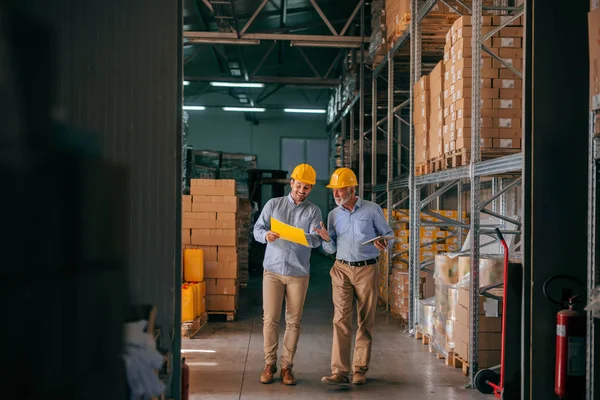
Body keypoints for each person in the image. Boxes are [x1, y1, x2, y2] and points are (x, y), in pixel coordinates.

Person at [313, 167, 393, 386]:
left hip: (367, 269)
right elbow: (330, 250)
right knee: (340, 320)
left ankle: (360, 369)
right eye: (334, 191)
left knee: (365, 320)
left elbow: (388, 235)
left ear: (352, 188)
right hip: (341, 269)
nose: (336, 194)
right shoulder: (333, 215)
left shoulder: (372, 209)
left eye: (340, 190)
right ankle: (339, 371)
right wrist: (325, 238)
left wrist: (383, 242)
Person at [253, 163, 323, 386]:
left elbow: (316, 240)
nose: (302, 190)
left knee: (293, 321)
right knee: (270, 319)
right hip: (272, 271)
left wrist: (306, 236)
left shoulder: (313, 211)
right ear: (291, 183)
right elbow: (257, 229)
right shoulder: (273, 205)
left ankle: (286, 367)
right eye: (299, 185)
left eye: (307, 187)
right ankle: (269, 364)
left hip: (298, 273)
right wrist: (267, 236)